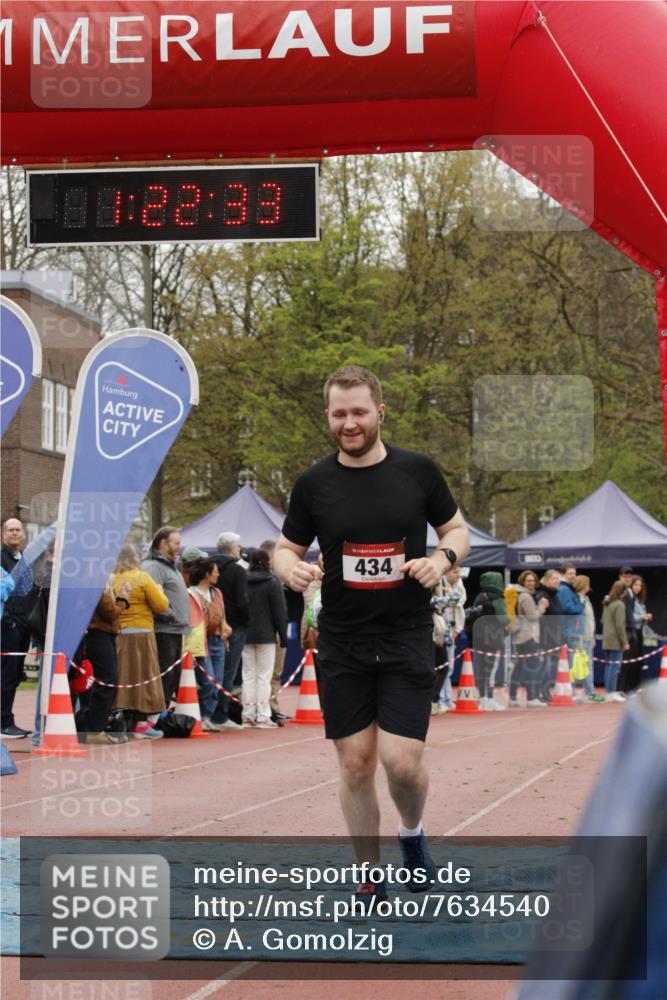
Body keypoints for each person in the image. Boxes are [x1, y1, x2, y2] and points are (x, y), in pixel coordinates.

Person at [274, 365, 469, 907]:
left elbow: (457, 530)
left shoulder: (418, 472)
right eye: (339, 414)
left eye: (359, 412)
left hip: (406, 633)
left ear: (379, 412)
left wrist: (441, 559)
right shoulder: (314, 484)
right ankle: (368, 871)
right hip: (343, 641)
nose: (349, 423)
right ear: (328, 417)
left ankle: (411, 835)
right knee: (355, 761)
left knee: (402, 764)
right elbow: (285, 547)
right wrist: (287, 567)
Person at [113, 543, 169, 738]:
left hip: (120, 632)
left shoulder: (113, 579)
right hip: (142, 632)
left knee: (124, 676)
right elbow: (161, 605)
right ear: (135, 558)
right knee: (145, 676)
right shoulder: (142, 577)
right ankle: (142, 723)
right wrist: (160, 591)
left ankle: (122, 720)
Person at [76, 579, 132, 744]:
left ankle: (95, 725)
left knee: (105, 681)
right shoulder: (95, 582)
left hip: (103, 634)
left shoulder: (98, 580)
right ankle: (94, 728)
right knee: (106, 680)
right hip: (98, 634)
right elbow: (110, 612)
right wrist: (122, 599)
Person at [141, 526, 190, 705]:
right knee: (164, 674)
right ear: (163, 543)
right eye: (176, 543)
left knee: (172, 676)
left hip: (174, 629)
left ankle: (162, 713)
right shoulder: (154, 566)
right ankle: (155, 716)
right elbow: (152, 598)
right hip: (163, 630)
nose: (179, 546)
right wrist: (169, 615)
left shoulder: (169, 566)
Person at [242, 548, 288, 728]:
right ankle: (263, 716)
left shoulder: (243, 580)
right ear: (268, 562)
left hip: (247, 634)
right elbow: (279, 612)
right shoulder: (272, 582)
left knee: (248, 675)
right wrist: (283, 637)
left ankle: (247, 714)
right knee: (264, 677)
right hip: (266, 635)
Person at [1, 518, 32, 738]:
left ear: (23, 534)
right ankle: (3, 722)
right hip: (8, 624)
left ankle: (7, 718)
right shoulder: (1, 559)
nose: (14, 533)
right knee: (6, 672)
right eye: (10, 530)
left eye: (17, 530)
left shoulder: (25, 559)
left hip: (25, 623)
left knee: (15, 674)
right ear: (3, 534)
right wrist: (9, 619)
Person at [259, 538, 292, 724]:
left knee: (261, 674)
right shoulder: (271, 580)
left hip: (263, 632)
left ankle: (268, 708)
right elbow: (279, 610)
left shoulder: (274, 578)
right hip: (272, 632)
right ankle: (270, 708)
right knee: (270, 673)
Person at [213, 531, 250, 696]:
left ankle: (211, 712)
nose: (240, 549)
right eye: (238, 546)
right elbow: (242, 601)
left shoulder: (208, 568)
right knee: (230, 671)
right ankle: (222, 713)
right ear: (231, 549)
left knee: (213, 671)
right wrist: (248, 620)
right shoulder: (238, 571)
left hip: (212, 625)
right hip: (235, 625)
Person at [467, 571, 510, 711]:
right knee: (491, 671)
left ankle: (483, 699)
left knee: (481, 669)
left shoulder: (480, 596)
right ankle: (490, 699)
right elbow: (504, 619)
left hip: (479, 638)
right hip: (494, 639)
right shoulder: (498, 598)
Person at [509, 571, 549, 707]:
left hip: (519, 636)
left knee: (519, 666)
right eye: (528, 581)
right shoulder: (526, 596)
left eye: (533, 580)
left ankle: (512, 697)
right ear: (522, 582)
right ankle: (532, 698)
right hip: (528, 636)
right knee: (533, 666)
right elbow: (532, 616)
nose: (531, 583)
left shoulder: (519, 594)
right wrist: (542, 607)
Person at [434, 566, 467, 713]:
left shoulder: (454, 585)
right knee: (442, 668)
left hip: (448, 632)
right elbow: (452, 600)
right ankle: (438, 699)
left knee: (448, 668)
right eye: (455, 572)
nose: (458, 575)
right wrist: (448, 594)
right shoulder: (437, 595)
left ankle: (445, 699)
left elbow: (459, 599)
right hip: (437, 634)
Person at [573, 575, 603, 702]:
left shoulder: (586, 598)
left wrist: (593, 637)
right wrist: (579, 638)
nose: (589, 586)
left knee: (587, 666)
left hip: (588, 638)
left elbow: (591, 620)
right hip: (581, 638)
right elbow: (577, 620)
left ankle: (590, 693)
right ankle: (578, 693)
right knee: (577, 666)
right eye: (587, 583)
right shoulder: (577, 599)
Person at [621, 575, 653, 694]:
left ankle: (636, 686)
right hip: (630, 632)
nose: (638, 587)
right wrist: (642, 617)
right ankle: (625, 688)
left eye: (640, 585)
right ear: (631, 585)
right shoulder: (628, 599)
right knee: (629, 660)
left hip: (639, 632)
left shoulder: (640, 600)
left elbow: (641, 615)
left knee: (638, 661)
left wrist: (646, 617)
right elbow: (628, 617)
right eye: (636, 585)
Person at [534, 569, 562, 702]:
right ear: (545, 580)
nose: (557, 581)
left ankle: (544, 691)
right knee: (543, 666)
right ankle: (537, 693)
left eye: (558, 578)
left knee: (548, 667)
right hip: (544, 638)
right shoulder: (542, 595)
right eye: (554, 578)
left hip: (553, 637)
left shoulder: (554, 595)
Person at [601, 580, 630, 702]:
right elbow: (620, 625)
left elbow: (602, 620)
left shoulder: (607, 602)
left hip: (606, 637)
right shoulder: (619, 604)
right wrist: (625, 641)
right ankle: (612, 692)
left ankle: (609, 691)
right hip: (615, 640)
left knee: (609, 666)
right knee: (615, 667)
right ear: (623, 592)